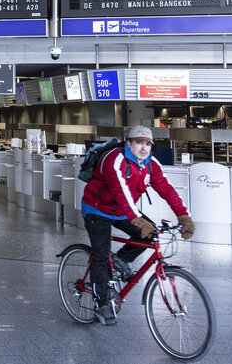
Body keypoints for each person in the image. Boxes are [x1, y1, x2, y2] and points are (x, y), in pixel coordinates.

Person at [81, 126, 195, 325]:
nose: (144, 147)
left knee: (150, 234)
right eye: (139, 142)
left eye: (148, 143)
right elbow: (120, 192)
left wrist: (184, 216)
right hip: (97, 209)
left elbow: (167, 190)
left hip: (123, 211)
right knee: (100, 254)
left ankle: (119, 260)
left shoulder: (151, 165)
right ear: (129, 143)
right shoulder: (114, 159)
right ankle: (101, 305)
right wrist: (137, 219)